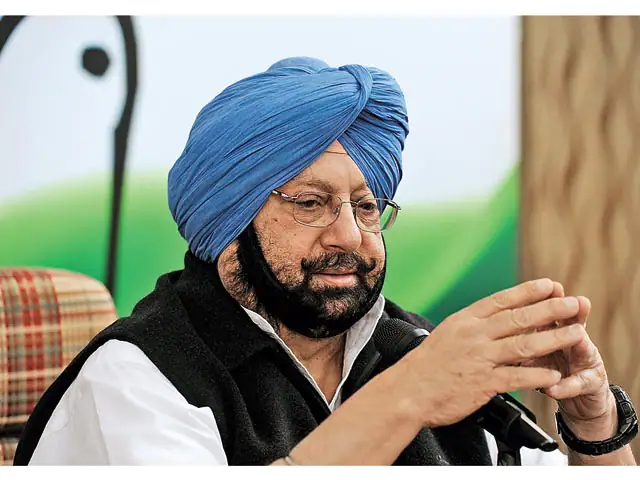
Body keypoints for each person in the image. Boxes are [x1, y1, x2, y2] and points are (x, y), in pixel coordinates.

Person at [15, 57, 637, 466]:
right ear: (228, 222)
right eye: (311, 203)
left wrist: (595, 424)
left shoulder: (414, 348)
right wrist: (408, 396)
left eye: (367, 207)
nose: (350, 236)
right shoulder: (138, 376)